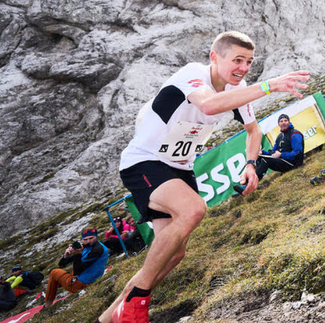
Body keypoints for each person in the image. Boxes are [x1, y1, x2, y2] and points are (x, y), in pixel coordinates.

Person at [102, 31, 310, 323]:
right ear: (215, 57)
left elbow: (255, 131)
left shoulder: (240, 89)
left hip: (180, 167)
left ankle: (109, 317)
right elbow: (210, 105)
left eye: (249, 62)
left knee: (172, 254)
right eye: (238, 60)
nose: (244, 68)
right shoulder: (193, 74)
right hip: (144, 161)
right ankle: (136, 303)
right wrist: (270, 85)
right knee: (194, 209)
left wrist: (251, 163)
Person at [232, 114, 307, 194]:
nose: (283, 123)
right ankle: (245, 183)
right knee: (260, 157)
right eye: (281, 121)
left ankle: (249, 186)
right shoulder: (280, 136)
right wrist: (261, 153)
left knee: (265, 160)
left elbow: (297, 153)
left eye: (285, 120)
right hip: (283, 161)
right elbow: (273, 153)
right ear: (279, 124)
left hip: (294, 164)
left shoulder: (295, 134)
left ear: (289, 122)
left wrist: (281, 155)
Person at [44, 228, 108, 310]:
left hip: (83, 284)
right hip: (88, 279)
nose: (88, 241)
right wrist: (66, 256)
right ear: (82, 239)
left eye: (91, 238)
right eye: (85, 239)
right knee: (59, 275)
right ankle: (57, 287)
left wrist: (77, 254)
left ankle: (47, 305)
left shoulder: (97, 250)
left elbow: (78, 271)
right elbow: (61, 264)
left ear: (96, 237)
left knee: (53, 273)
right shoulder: (88, 247)